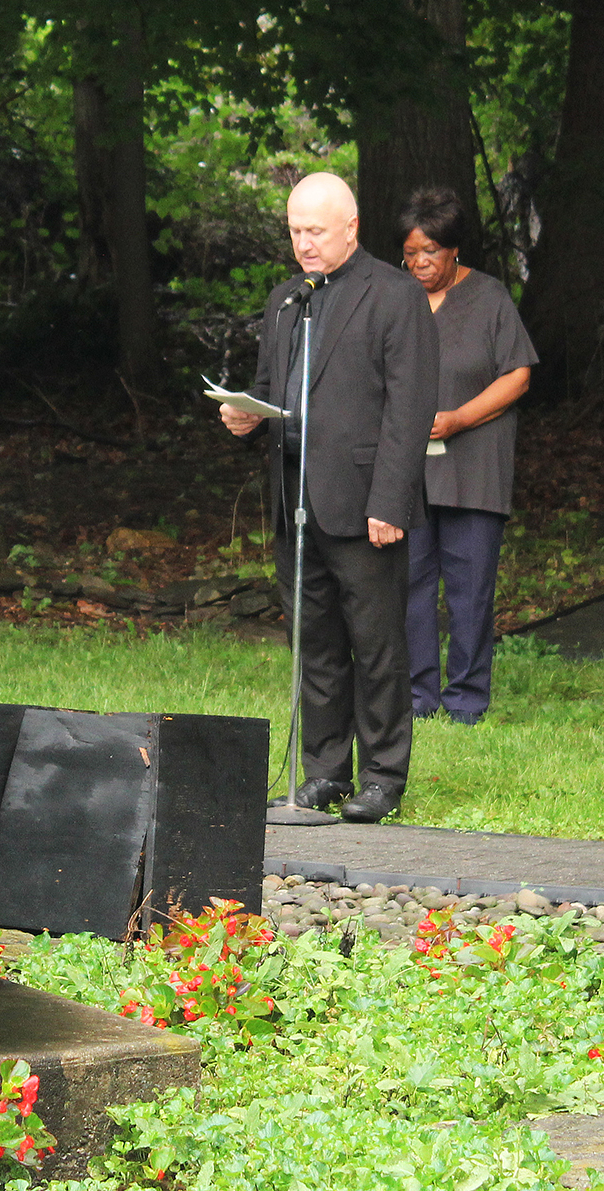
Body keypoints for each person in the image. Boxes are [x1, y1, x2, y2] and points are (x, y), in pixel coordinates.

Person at [218, 172, 437, 823]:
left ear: (351, 228)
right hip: (296, 503)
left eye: (316, 231)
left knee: (375, 645)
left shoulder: (395, 296)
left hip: (366, 499)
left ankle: (383, 777)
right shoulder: (287, 301)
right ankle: (324, 772)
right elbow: (270, 388)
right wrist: (245, 416)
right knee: (314, 642)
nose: (304, 243)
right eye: (295, 231)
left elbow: (410, 407)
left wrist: (390, 503)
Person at [397, 188, 536, 726]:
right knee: (409, 582)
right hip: (408, 470)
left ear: (454, 250)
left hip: (474, 464)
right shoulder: (396, 298)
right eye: (409, 254)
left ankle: (466, 700)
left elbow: (518, 374)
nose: (418, 263)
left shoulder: (490, 297)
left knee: (470, 587)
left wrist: (458, 419)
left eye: (428, 252)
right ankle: (417, 698)